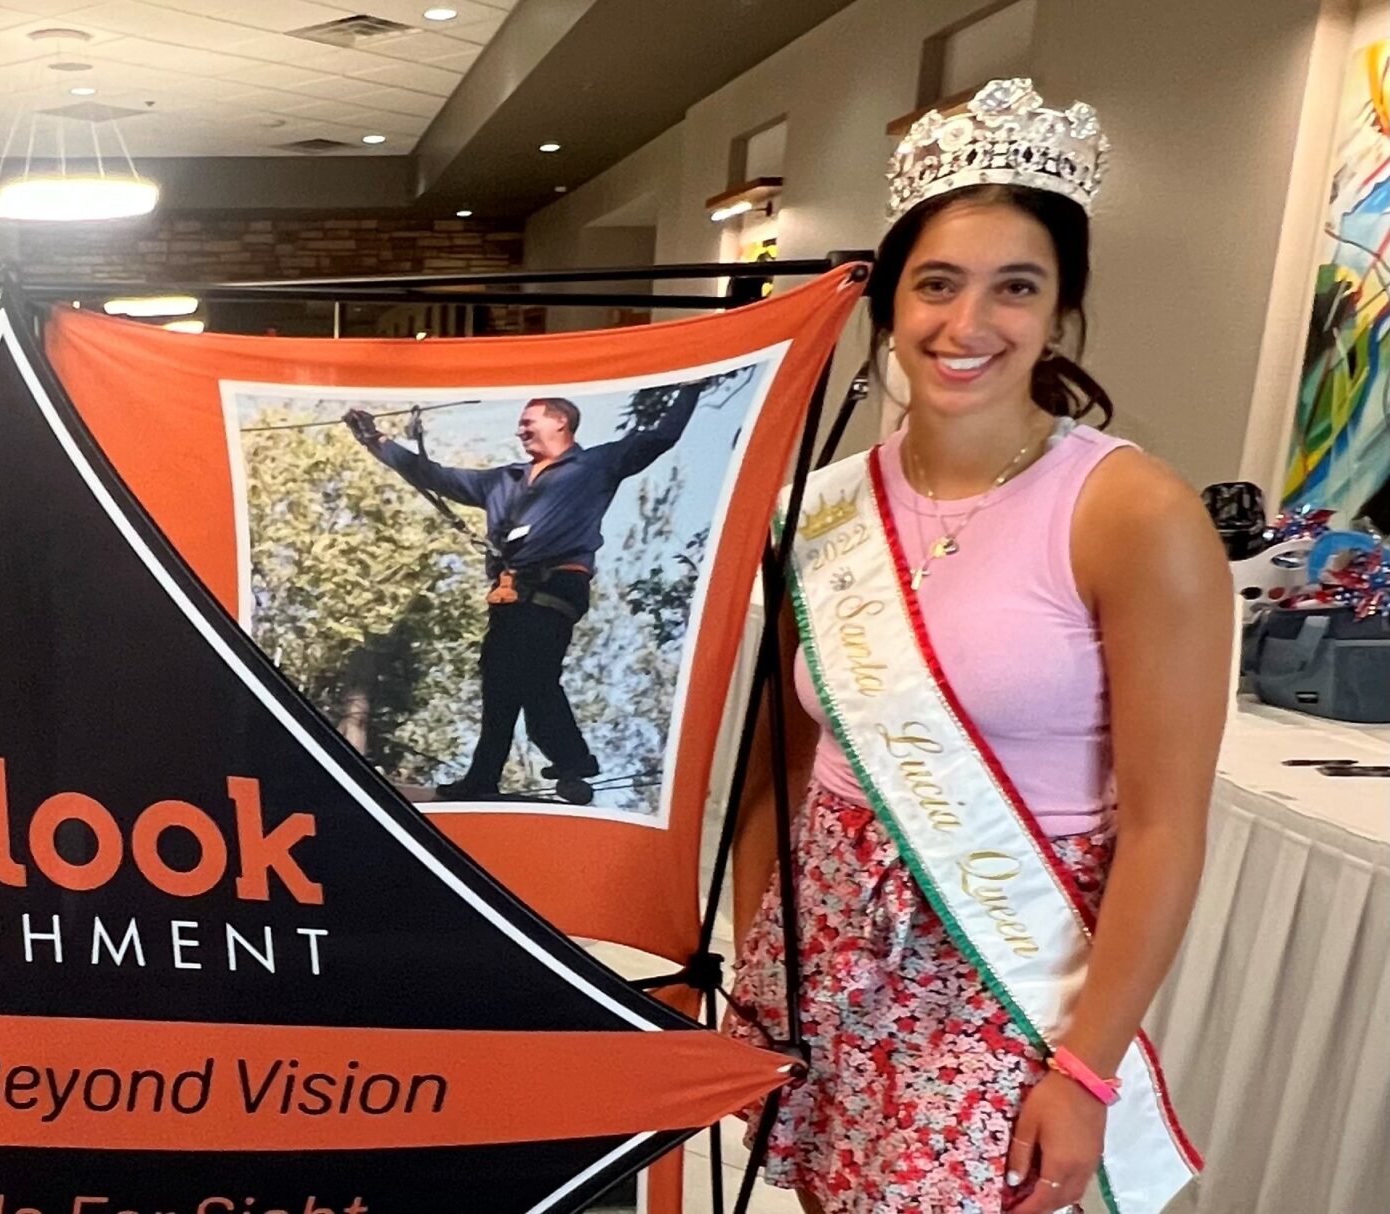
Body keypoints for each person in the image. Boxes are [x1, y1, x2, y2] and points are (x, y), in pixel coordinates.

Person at [728, 80, 1230, 1214]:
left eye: (1016, 287)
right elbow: (779, 764)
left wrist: (1087, 1065)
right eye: (937, 284)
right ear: (890, 304)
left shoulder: (1131, 511)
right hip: (830, 956)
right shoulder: (820, 509)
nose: (969, 325)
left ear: (1060, 311)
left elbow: (1165, 823)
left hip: (1006, 970)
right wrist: (770, 963)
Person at [344, 390, 700, 802]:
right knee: (500, 683)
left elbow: (662, 436)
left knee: (528, 673)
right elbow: (433, 475)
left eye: (528, 422)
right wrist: (376, 441)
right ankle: (492, 777)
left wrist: (693, 387)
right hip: (511, 596)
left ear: (560, 422)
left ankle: (569, 759)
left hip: (554, 586)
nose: (520, 431)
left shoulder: (597, 465)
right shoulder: (503, 480)